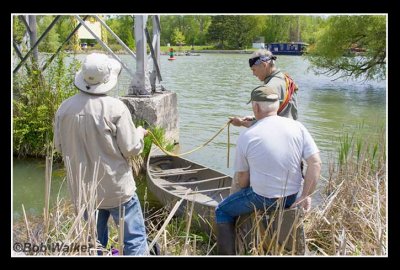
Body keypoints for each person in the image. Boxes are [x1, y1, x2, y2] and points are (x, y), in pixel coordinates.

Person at [54, 53, 149, 255]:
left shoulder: (64, 108)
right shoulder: (116, 108)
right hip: (117, 189)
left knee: (94, 244)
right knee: (134, 241)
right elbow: (131, 149)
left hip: (84, 191)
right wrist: (139, 134)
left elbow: (59, 146)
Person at [215, 85, 321, 255]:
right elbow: (315, 163)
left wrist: (241, 192)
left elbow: (242, 179)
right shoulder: (298, 127)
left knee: (222, 210)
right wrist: (305, 196)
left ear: (255, 107)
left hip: (262, 198)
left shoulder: (247, 135)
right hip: (292, 197)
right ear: (277, 105)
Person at [229, 49, 300, 194]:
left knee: (240, 179)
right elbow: (277, 113)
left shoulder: (269, 87)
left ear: (265, 64)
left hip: (271, 142)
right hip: (287, 141)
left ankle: (231, 210)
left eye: (254, 69)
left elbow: (267, 125)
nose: (253, 73)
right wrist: (254, 117)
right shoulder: (284, 79)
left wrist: (241, 123)